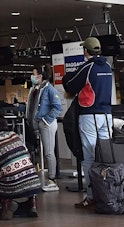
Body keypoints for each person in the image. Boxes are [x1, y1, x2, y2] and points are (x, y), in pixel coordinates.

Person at [63, 37, 113, 208]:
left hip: (90, 115)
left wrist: (66, 78)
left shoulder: (88, 67)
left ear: (86, 51)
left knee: (89, 157)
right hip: (107, 115)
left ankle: (91, 197)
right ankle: (108, 193)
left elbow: (70, 84)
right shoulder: (107, 67)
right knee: (105, 155)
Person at [25, 64, 62, 192]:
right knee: (44, 152)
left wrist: (46, 120)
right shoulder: (35, 89)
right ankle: (48, 178)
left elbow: (57, 107)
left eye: (34, 74)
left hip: (47, 124)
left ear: (40, 76)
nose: (32, 76)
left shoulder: (49, 89)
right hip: (37, 124)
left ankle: (52, 179)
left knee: (49, 152)